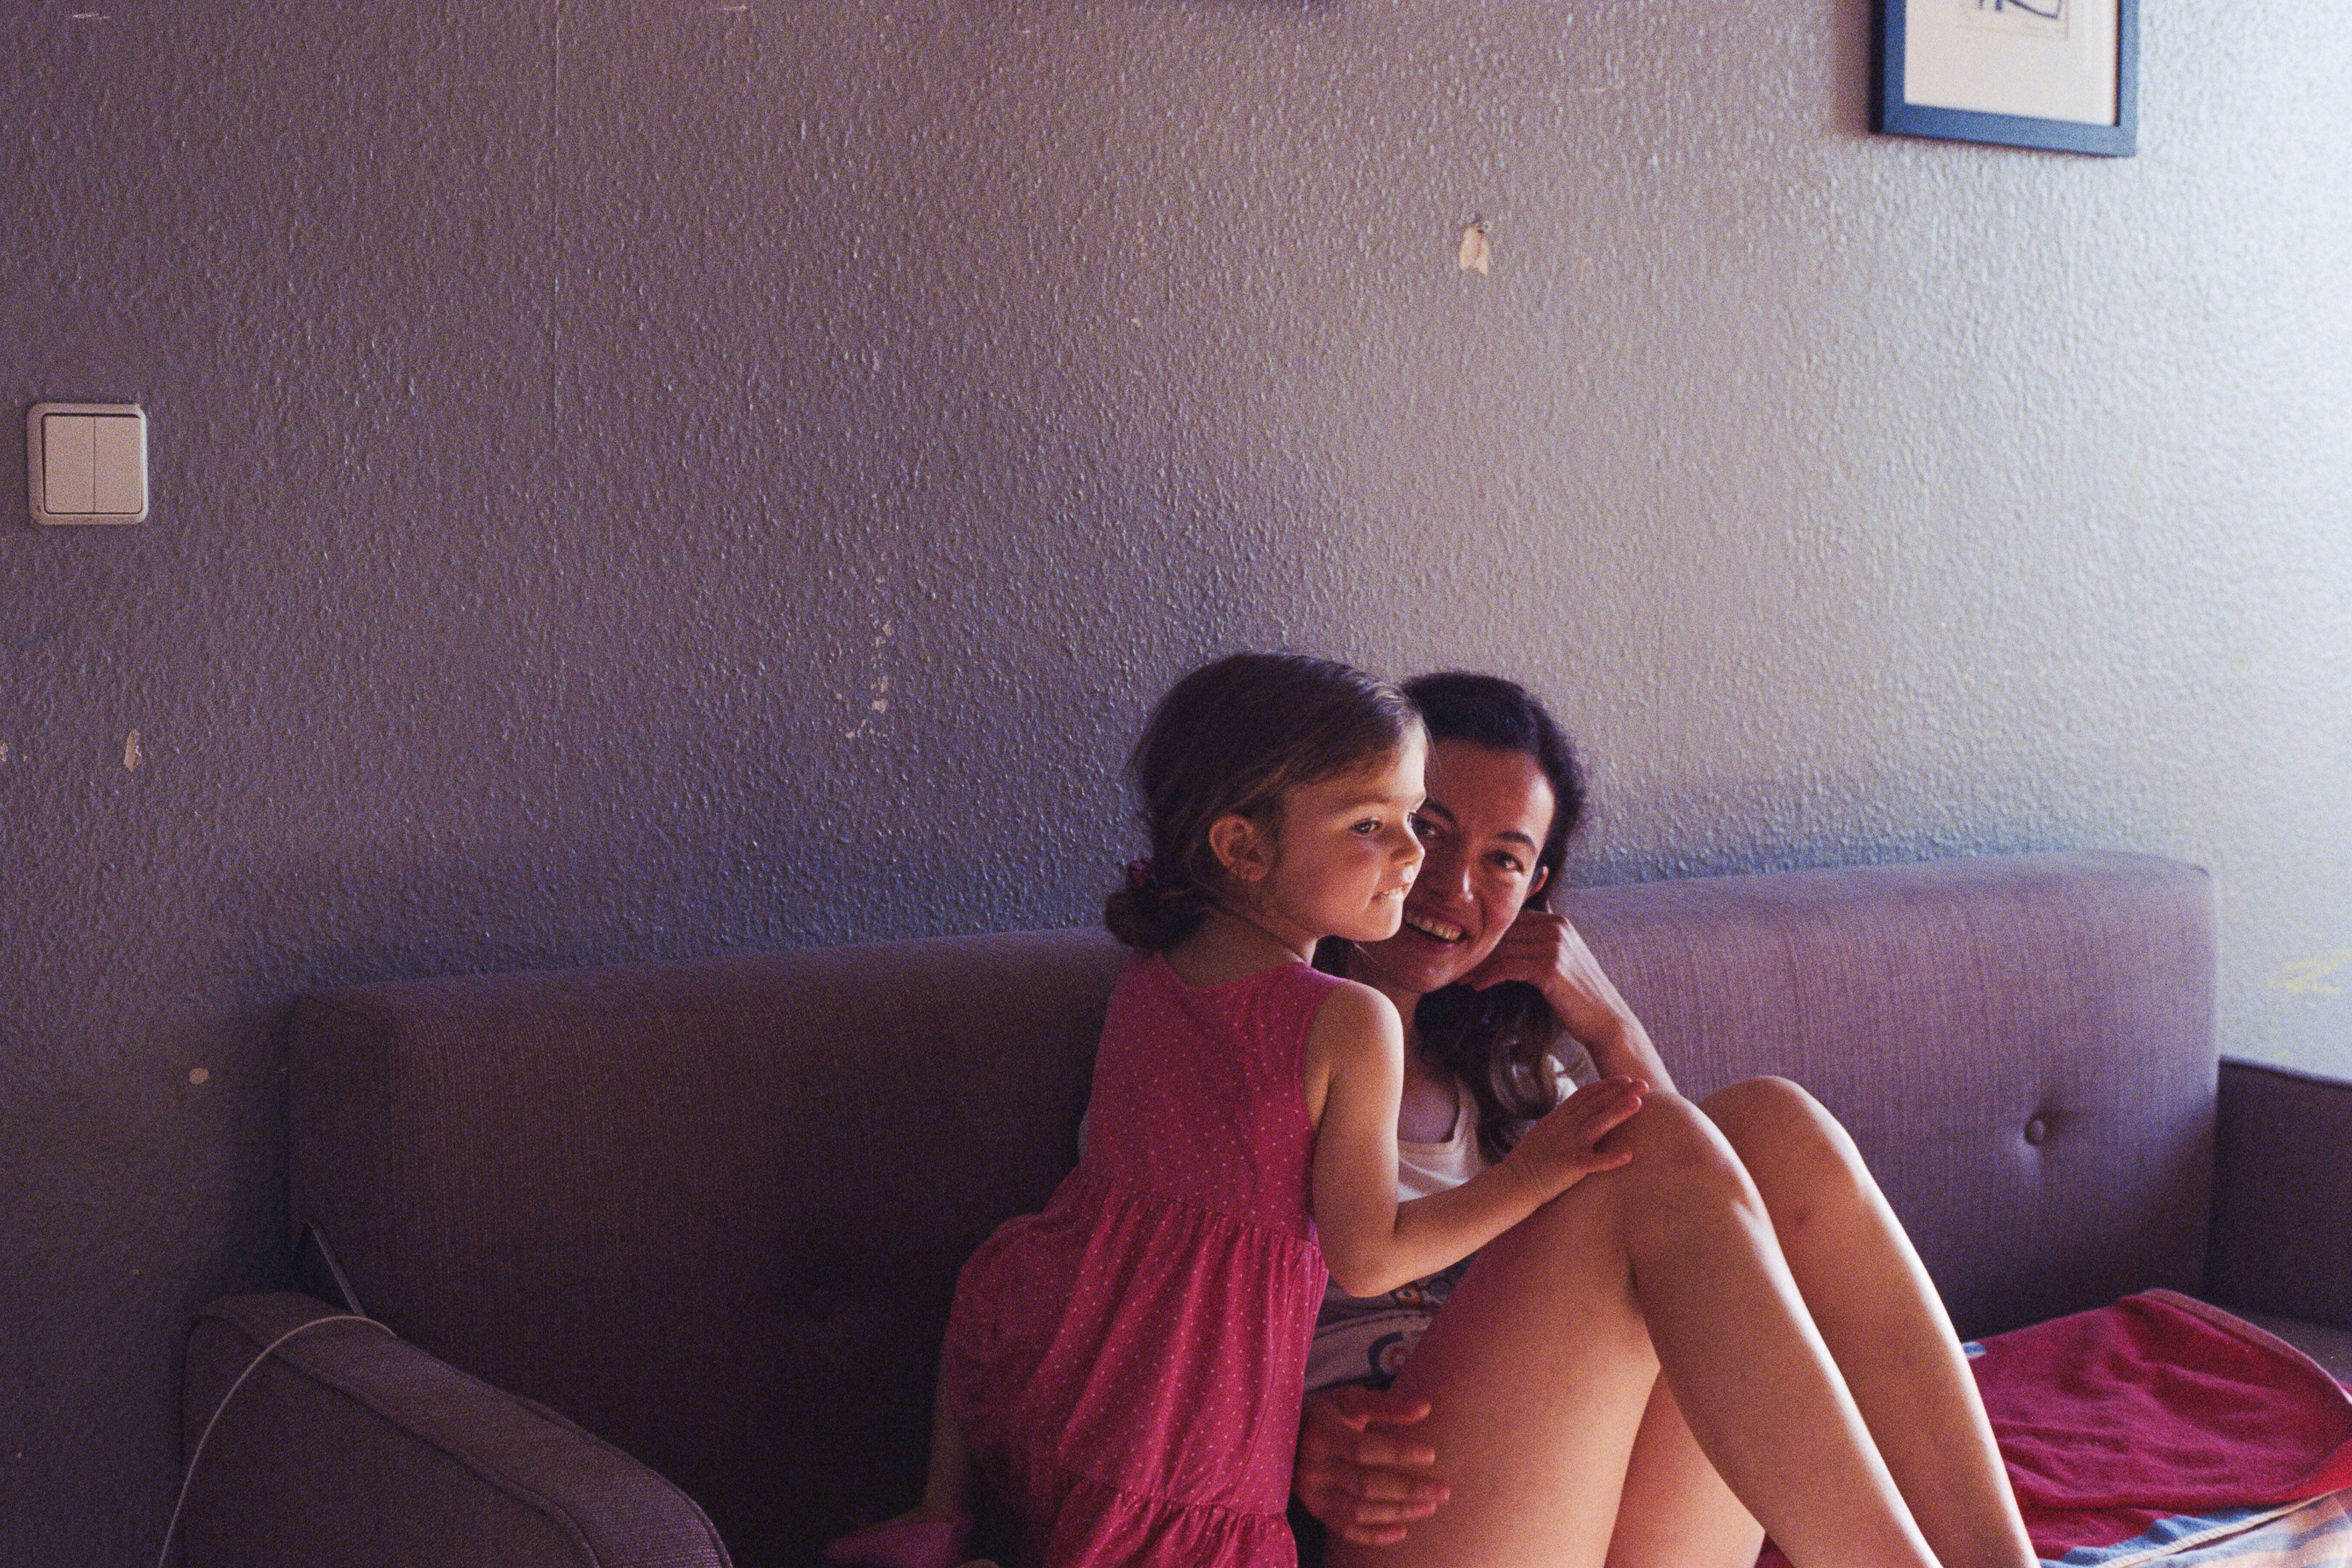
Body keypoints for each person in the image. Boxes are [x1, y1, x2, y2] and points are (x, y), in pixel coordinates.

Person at [827, 653, 1648, 1568]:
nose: (1419, 863)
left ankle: (935, 1519)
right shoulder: (1349, 1018)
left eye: (1414, 822)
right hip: (1210, 1417)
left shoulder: (1153, 978)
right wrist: (1539, 1172)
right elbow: (1368, 1255)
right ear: (1244, 848)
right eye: (1381, 826)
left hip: (1095, 1369)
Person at [1290, 671, 2039, 1568]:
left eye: (1503, 858)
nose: (1451, 882)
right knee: (1643, 1148)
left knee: (1775, 1128)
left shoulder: (1508, 1086)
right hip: (1391, 1511)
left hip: (1565, 1516)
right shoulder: (1266, 1042)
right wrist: (1289, 1436)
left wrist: (1609, 1024)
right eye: (1432, 828)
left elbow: (1708, 1210)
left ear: (1536, 892)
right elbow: (1163, 1307)